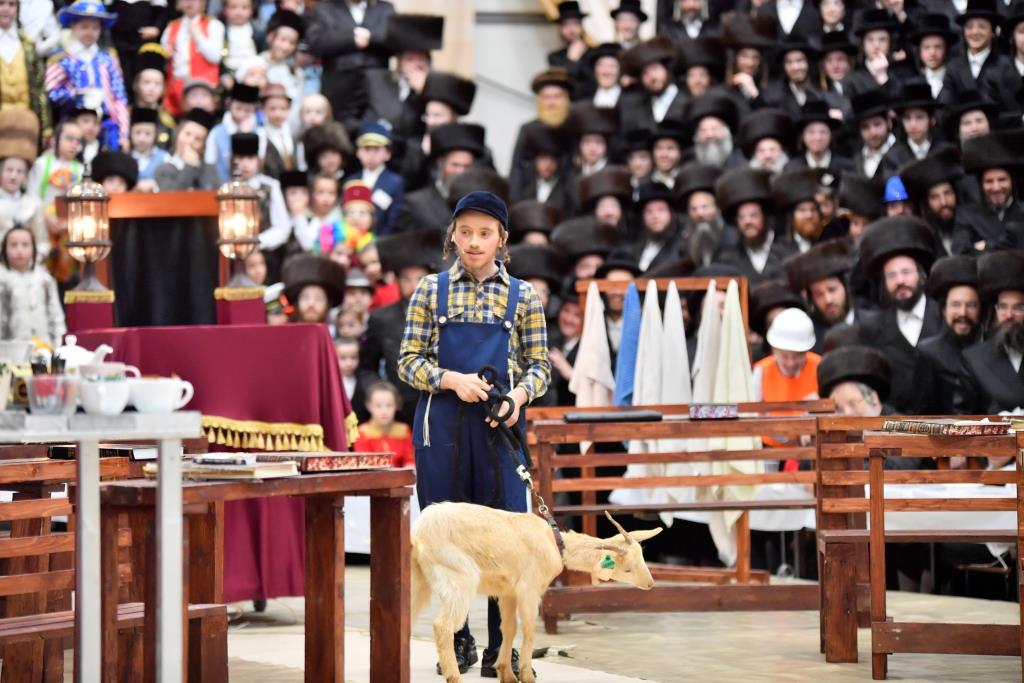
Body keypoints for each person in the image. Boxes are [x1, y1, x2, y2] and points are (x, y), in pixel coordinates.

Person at [398, 191, 549, 678]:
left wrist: (518, 398)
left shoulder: (523, 295)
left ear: (502, 239)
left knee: (503, 535)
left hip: (497, 427)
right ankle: (458, 640)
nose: (474, 241)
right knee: (450, 535)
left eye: (485, 233)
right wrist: (450, 379)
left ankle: (497, 651)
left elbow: (540, 366)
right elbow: (407, 362)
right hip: (441, 427)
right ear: (452, 236)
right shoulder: (429, 290)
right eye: (465, 232)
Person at [857, 215, 942, 414]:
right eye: (892, 275)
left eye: (906, 272)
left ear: (921, 276)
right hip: (896, 430)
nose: (900, 281)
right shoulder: (874, 328)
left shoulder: (943, 316)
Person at [359, 228, 440, 426]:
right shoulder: (381, 318)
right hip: (398, 413)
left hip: (440, 407)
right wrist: (378, 392)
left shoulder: (446, 316)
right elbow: (366, 368)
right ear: (397, 281)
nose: (413, 286)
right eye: (406, 279)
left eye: (420, 279)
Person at [45, 1, 130, 149]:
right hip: (72, 127)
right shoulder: (62, 59)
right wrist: (76, 95)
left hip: (106, 127)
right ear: (73, 26)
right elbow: (52, 93)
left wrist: (123, 133)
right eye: (84, 27)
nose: (89, 32)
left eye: (95, 27)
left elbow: (119, 97)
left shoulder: (108, 59)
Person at [304, 0, 395, 130]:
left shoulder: (385, 9)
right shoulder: (323, 8)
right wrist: (351, 38)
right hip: (339, 92)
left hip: (376, 91)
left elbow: (394, 39)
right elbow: (315, 43)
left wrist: (370, 37)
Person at [917, 255, 981, 415]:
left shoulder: (991, 350)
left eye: (971, 305)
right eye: (956, 304)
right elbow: (923, 414)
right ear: (944, 310)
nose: (963, 313)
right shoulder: (929, 353)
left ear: (981, 310)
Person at [962, 249, 1024, 413]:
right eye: (1003, 307)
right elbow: (965, 419)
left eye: (1018, 307)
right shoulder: (974, 358)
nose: (1009, 315)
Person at [0, 225, 65, 345]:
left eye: (25, 245)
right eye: (13, 245)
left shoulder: (45, 279)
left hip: (44, 347)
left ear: (34, 249)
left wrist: (59, 345)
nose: (19, 250)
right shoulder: (2, 279)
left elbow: (56, 316)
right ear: (4, 249)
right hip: (10, 349)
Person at [161, 0, 224, 118]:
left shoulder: (213, 25)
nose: (189, 3)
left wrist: (197, 35)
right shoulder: (172, 26)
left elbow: (215, 57)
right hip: (176, 91)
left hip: (204, 88)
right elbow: (164, 57)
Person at [0, 110, 47, 263]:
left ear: (26, 177)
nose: (14, 176)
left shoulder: (32, 205)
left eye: (19, 171)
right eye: (9, 170)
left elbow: (42, 242)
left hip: (27, 271)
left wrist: (32, 261)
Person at [0, 0, 51, 138]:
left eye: (11, 4)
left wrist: (46, 127)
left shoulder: (27, 46)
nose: (6, 9)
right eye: (1, 3)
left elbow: (40, 88)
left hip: (26, 121)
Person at [348, 121, 404, 236]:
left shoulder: (395, 182)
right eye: (366, 149)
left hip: (381, 244)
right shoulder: (350, 181)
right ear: (358, 152)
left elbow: (393, 220)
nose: (371, 155)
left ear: (388, 154)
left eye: (377, 149)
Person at [153, 108, 220, 190]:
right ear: (177, 134)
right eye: (187, 134)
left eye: (198, 139)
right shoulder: (163, 169)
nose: (190, 141)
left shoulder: (209, 169)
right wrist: (189, 167)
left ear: (203, 146)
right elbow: (172, 198)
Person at [352, 380, 415, 468]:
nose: (384, 411)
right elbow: (365, 463)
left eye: (389, 405)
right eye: (378, 406)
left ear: (396, 405)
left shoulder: (403, 430)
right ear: (368, 405)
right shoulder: (363, 432)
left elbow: (410, 459)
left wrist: (408, 468)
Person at [281, 253, 346, 324]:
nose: (311, 304)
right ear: (296, 302)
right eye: (305, 298)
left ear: (328, 304)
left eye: (318, 299)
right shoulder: (286, 333)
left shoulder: (339, 333)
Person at [335, 335, 367, 422]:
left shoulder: (364, 382)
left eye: (353, 357)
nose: (349, 363)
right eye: (343, 358)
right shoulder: (327, 383)